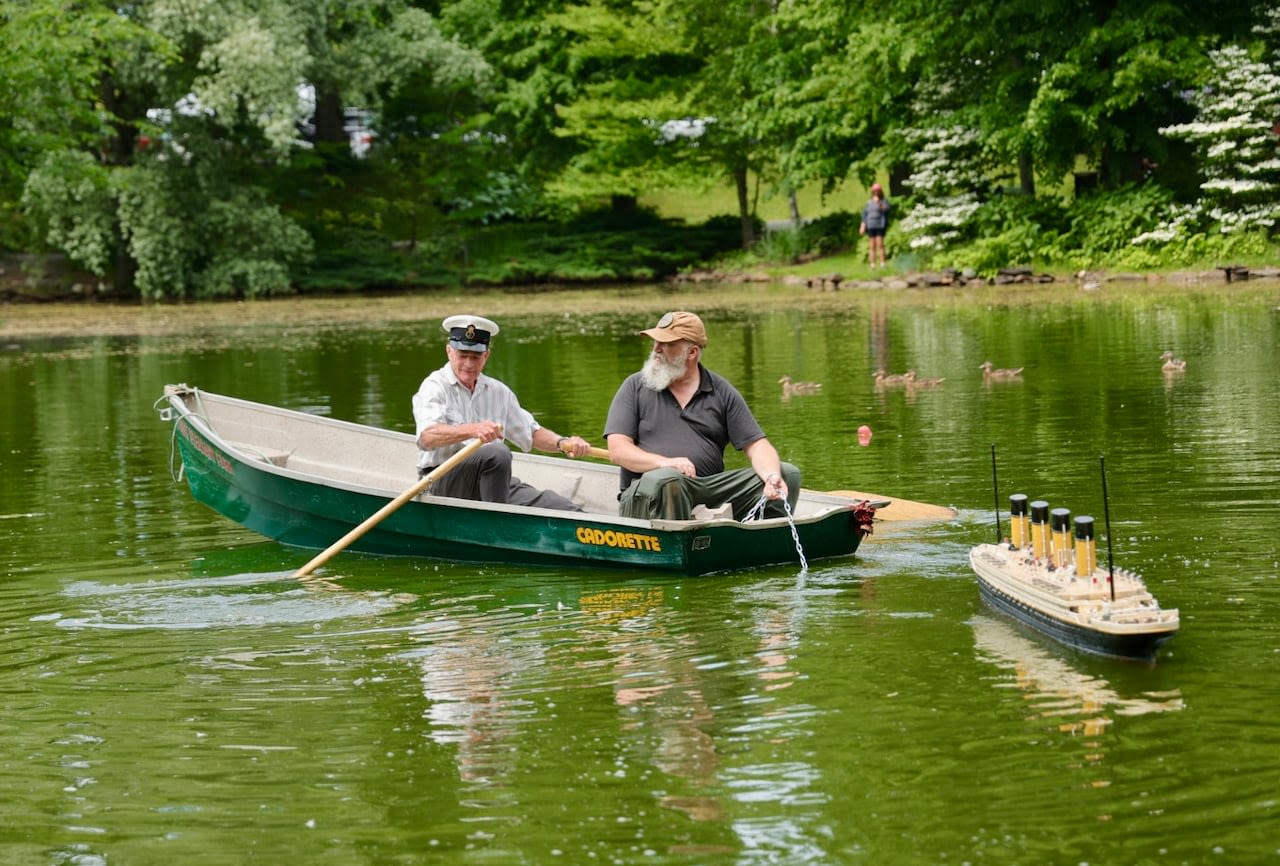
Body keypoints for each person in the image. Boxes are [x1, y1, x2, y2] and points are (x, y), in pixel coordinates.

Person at [603, 311, 801, 521]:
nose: (656, 349)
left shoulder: (721, 391)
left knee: (786, 473)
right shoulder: (634, 387)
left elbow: (758, 446)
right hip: (648, 494)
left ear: (692, 352)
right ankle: (674, 547)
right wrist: (664, 463)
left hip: (706, 490)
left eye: (667, 344)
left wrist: (771, 476)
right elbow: (618, 450)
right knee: (668, 480)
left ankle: (767, 546)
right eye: (656, 342)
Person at [412, 314, 592, 511]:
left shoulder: (499, 392)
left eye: (475, 357)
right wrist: (472, 430)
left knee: (563, 508)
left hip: (492, 482)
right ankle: (497, 525)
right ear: (449, 351)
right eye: (463, 355)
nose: (469, 364)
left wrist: (563, 443)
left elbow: (530, 433)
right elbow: (427, 437)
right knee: (497, 453)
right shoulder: (434, 386)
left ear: (486, 355)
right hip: (442, 480)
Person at [859, 182, 891, 268]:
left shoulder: (884, 201)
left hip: (880, 225)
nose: (876, 192)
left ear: (880, 191)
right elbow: (864, 215)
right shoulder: (868, 202)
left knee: (880, 244)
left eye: (878, 191)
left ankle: (882, 263)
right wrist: (862, 226)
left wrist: (879, 203)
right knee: (871, 245)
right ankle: (872, 264)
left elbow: (886, 209)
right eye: (875, 191)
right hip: (870, 225)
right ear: (872, 192)